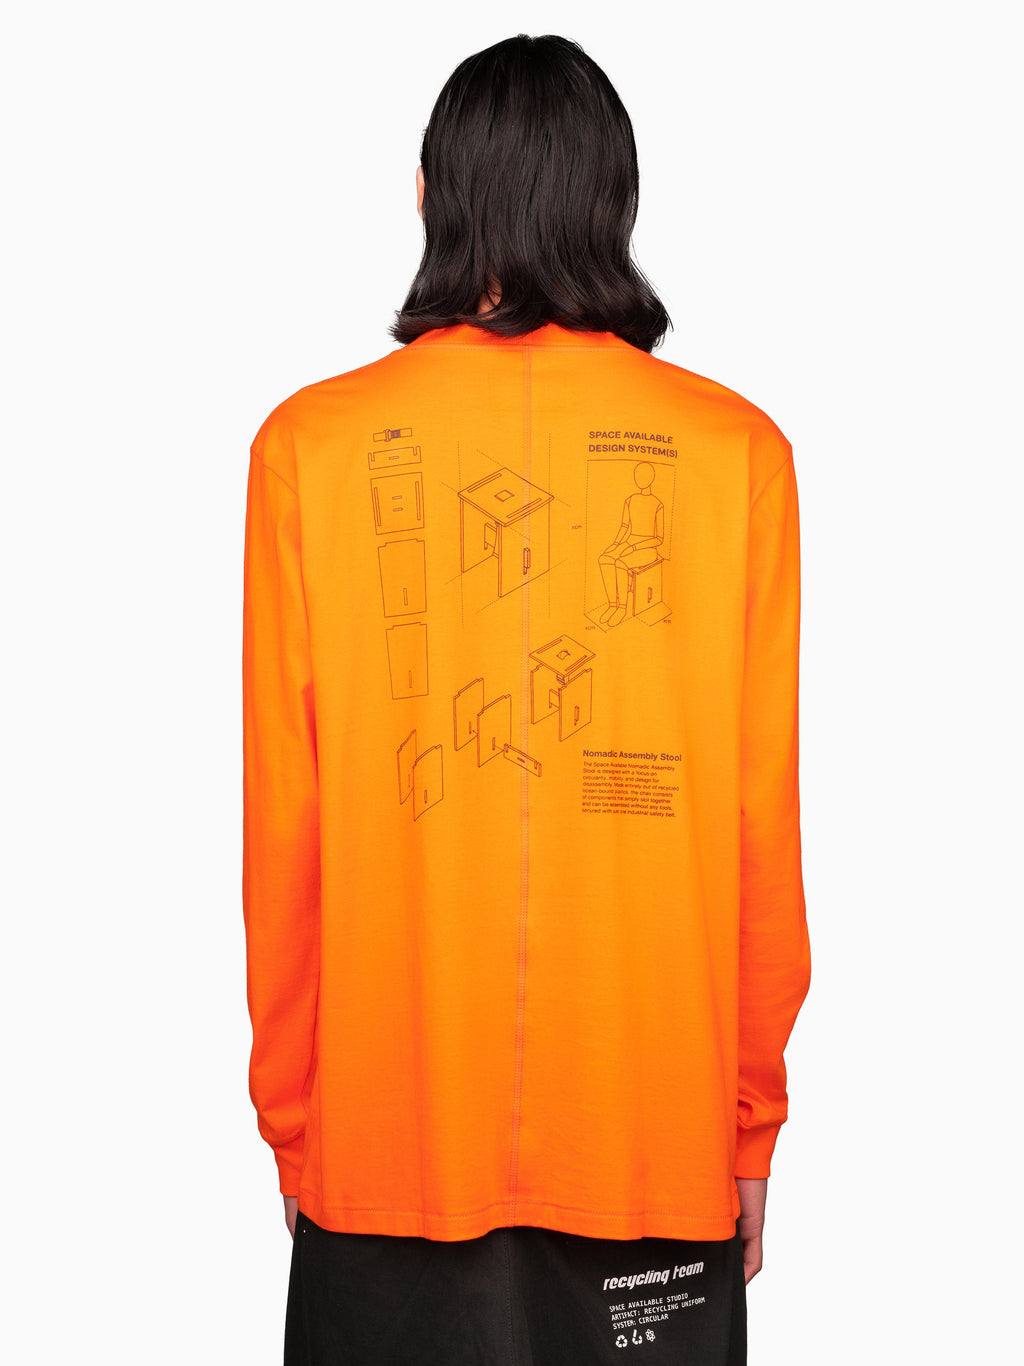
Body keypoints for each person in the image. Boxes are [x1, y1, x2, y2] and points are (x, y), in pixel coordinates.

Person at [242, 33, 811, 1366]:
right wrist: (748, 1127)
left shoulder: (307, 449)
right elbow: (758, 832)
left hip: (384, 1150)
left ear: (427, 193)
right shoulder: (740, 454)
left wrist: (296, 1127)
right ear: (615, 200)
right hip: (651, 1148)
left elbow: (286, 835)